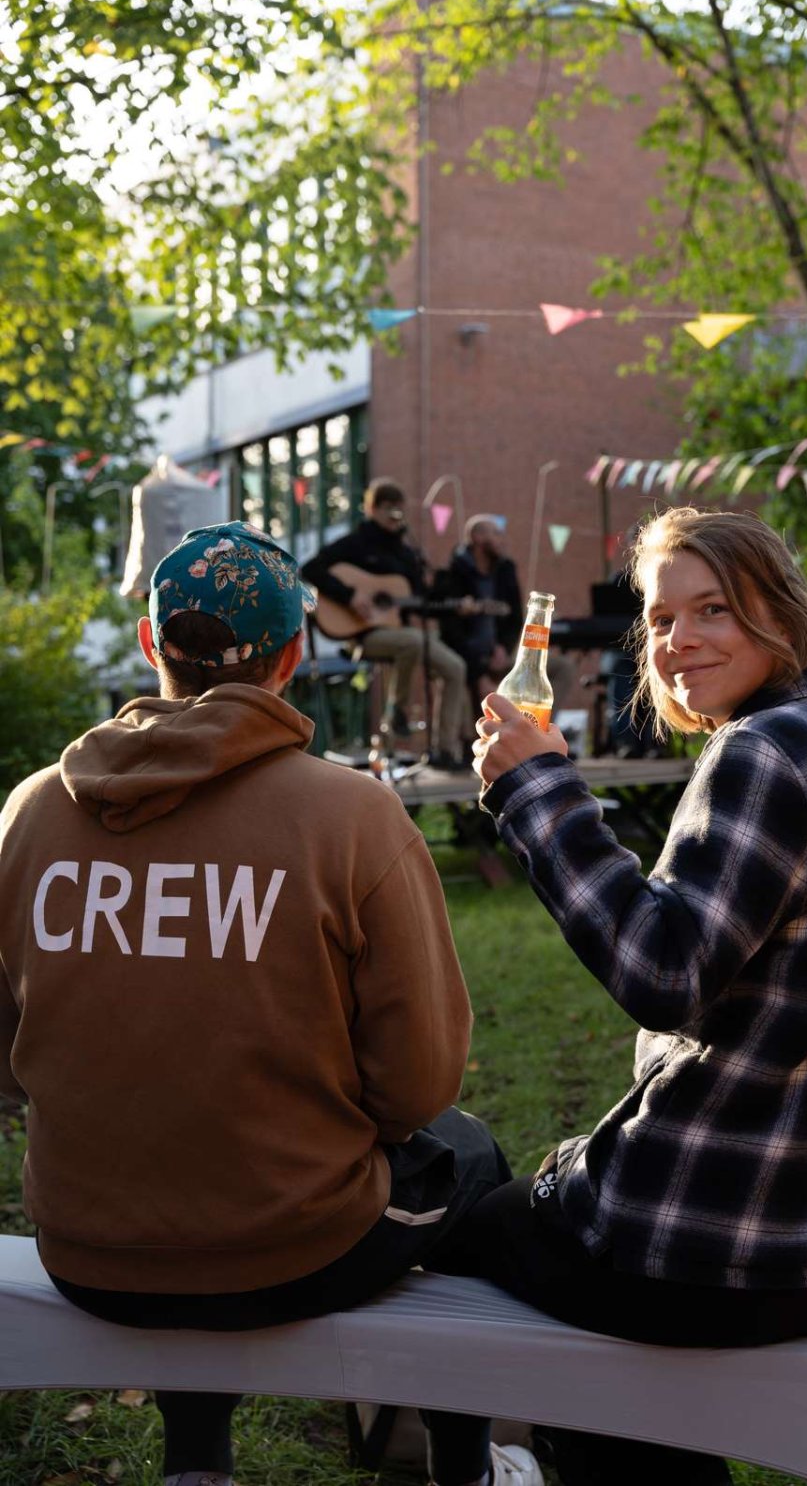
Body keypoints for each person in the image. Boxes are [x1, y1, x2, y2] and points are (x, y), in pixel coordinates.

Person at [0, 521, 541, 1486]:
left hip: (83, 1248)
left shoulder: (31, 811)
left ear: (150, 643)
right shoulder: (352, 816)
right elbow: (419, 1088)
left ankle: (196, 1460)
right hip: (295, 1248)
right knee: (468, 1153)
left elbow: (7, 1063)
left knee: (193, 1152)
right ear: (294, 655)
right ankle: (464, 1467)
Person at [450, 506, 807, 1486]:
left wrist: (539, 793)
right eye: (660, 618)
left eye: (711, 608)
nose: (678, 640)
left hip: (715, 1249)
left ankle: (480, 1462)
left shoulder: (763, 754)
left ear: (782, 614)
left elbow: (663, 973)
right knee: (557, 1234)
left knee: (468, 1218)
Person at [301, 479, 468, 769]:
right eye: (388, 508)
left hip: (403, 634)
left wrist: (454, 600)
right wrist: (350, 595)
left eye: (399, 508)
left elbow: (420, 600)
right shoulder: (355, 543)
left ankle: (445, 750)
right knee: (412, 641)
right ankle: (396, 713)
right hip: (362, 634)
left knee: (456, 668)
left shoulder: (406, 552)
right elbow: (310, 569)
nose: (395, 514)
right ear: (372, 509)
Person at [440, 515, 577, 715]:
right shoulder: (454, 573)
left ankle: (533, 725)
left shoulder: (505, 570)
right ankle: (456, 737)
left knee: (563, 668)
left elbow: (515, 619)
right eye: (496, 534)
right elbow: (452, 633)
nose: (501, 540)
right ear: (477, 537)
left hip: (501, 658)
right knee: (459, 686)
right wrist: (479, 675)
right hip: (467, 661)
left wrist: (503, 648)